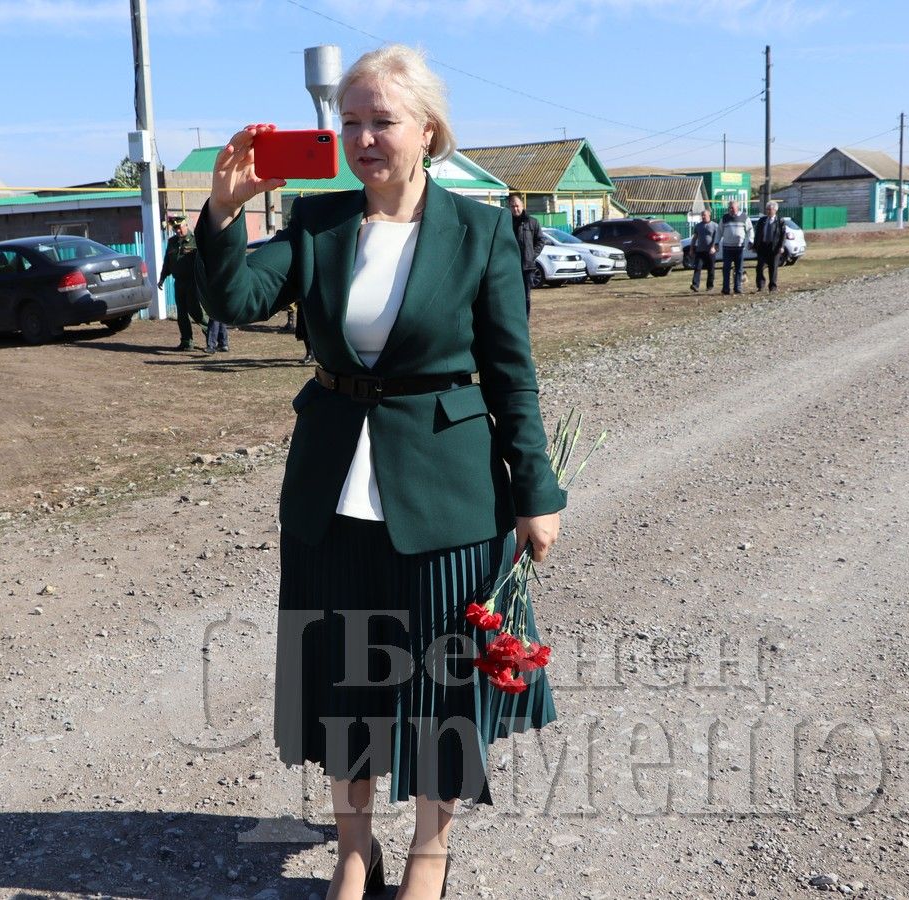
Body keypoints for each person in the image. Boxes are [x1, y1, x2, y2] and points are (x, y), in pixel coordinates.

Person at [193, 44, 563, 900]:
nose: (363, 137)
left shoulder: (478, 229)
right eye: (350, 120)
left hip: (447, 488)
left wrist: (535, 492)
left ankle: (430, 851)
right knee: (345, 680)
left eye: (381, 121)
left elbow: (512, 370)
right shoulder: (319, 221)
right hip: (331, 486)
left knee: (444, 683)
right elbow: (234, 301)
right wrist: (223, 215)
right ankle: (354, 847)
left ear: (427, 130)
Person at [158, 217, 202, 350]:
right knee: (182, 314)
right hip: (179, 283)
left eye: (180, 227)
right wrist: (162, 278)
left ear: (186, 226)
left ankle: (212, 336)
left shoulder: (196, 240)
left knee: (196, 311)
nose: (178, 230)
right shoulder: (172, 242)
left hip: (193, 282)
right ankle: (186, 341)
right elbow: (167, 262)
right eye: (175, 228)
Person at [508, 192, 545, 316]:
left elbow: (540, 240)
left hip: (527, 267)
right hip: (511, 267)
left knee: (526, 296)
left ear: (522, 205)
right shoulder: (506, 223)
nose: (515, 209)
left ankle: (525, 322)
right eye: (512, 206)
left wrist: (532, 255)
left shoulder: (532, 222)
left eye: (517, 205)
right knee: (511, 296)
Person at [718, 200, 752, 295]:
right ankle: (726, 288)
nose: (731, 209)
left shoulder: (744, 217)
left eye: (732, 208)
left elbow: (750, 230)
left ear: (737, 207)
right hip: (727, 248)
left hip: (739, 248)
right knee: (726, 269)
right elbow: (719, 231)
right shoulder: (724, 218)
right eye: (729, 208)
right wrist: (716, 243)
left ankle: (738, 287)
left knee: (739, 269)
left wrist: (750, 240)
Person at [752, 200, 787, 293]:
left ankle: (773, 287)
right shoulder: (762, 220)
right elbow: (758, 234)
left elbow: (783, 235)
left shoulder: (780, 221)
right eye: (767, 209)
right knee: (759, 267)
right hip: (763, 247)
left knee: (773, 268)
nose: (768, 211)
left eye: (770, 209)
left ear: (775, 210)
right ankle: (760, 286)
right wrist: (755, 245)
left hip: (774, 247)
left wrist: (781, 246)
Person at [689, 207, 719, 292]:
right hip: (700, 251)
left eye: (704, 215)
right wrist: (691, 249)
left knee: (711, 269)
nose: (703, 216)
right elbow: (694, 238)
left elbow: (716, 238)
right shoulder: (698, 226)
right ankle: (695, 285)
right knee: (697, 267)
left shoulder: (714, 225)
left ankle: (710, 286)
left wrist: (713, 247)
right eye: (702, 215)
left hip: (710, 251)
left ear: (709, 215)